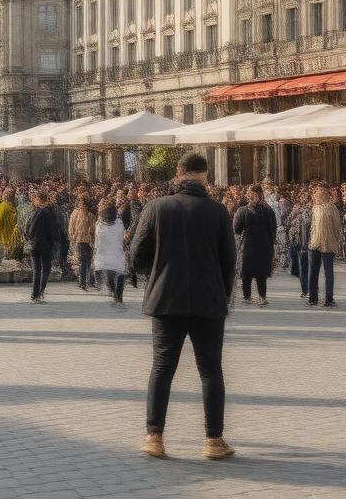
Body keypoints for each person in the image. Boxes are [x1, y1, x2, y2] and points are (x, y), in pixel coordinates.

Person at [131, 153, 236, 461]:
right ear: (206, 176)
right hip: (208, 301)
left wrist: (159, 272)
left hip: (166, 300)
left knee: (162, 369)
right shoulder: (218, 212)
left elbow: (137, 254)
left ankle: (154, 437)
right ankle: (214, 440)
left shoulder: (156, 207)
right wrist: (221, 293)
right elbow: (230, 261)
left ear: (178, 175)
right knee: (211, 371)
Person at [232, 184, 277, 306]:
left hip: (263, 247)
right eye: (249, 194)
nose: (251, 196)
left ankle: (262, 296)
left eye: (254, 194)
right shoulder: (242, 210)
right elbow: (237, 229)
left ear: (260, 195)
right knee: (246, 274)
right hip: (247, 247)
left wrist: (273, 247)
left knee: (261, 275)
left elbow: (273, 229)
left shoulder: (268, 211)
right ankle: (247, 297)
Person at [307, 185, 341, 308]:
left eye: (318, 194)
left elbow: (336, 226)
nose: (316, 196)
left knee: (320, 272)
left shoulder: (328, 208)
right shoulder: (321, 208)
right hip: (321, 243)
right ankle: (321, 299)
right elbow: (337, 227)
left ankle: (319, 299)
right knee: (321, 272)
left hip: (320, 242)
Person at [24, 190, 60, 304]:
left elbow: (26, 229)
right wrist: (55, 241)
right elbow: (53, 230)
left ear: (37, 200)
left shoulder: (33, 213)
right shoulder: (48, 213)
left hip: (34, 245)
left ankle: (34, 294)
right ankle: (41, 290)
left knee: (36, 270)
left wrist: (29, 239)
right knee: (46, 269)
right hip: (45, 245)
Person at [93, 198, 127, 306]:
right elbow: (122, 237)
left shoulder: (99, 225)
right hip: (118, 253)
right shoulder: (119, 223)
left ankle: (113, 292)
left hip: (105, 255)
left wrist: (95, 252)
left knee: (110, 276)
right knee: (121, 274)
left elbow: (97, 241)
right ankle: (119, 295)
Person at [68, 196, 96, 291]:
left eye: (84, 204)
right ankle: (82, 282)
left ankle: (88, 281)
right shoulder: (75, 214)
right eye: (80, 204)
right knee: (83, 262)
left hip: (89, 241)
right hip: (79, 241)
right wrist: (73, 238)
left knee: (89, 262)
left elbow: (94, 229)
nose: (82, 206)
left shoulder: (91, 215)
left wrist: (93, 239)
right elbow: (71, 227)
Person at [0, 186, 20, 259]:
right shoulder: (5, 207)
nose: (14, 197)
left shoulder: (1, 206)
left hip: (7, 236)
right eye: (13, 195)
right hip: (8, 236)